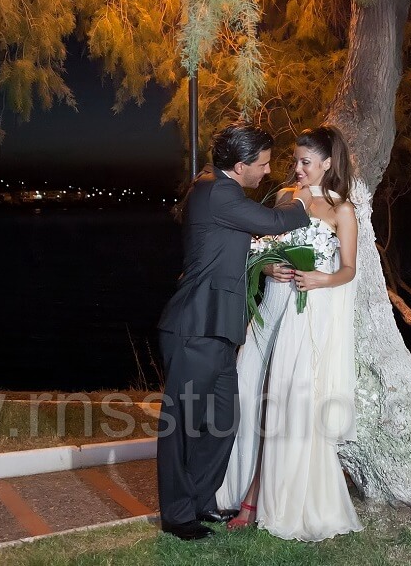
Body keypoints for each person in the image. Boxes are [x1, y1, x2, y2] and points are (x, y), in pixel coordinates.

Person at [155, 121, 312, 541]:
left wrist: (266, 268)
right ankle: (177, 516)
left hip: (220, 330)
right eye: (263, 164)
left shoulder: (217, 190)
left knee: (223, 421)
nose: (268, 171)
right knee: (183, 426)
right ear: (240, 166)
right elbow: (275, 221)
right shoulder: (217, 191)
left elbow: (230, 250)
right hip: (195, 327)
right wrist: (304, 197)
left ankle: (199, 500)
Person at [215, 124, 362, 541]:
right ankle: (234, 485)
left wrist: (321, 279)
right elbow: (262, 250)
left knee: (280, 406)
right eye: (296, 160)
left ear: (327, 164)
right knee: (248, 392)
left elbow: (349, 270)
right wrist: (268, 268)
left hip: (305, 314)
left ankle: (259, 498)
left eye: (306, 162)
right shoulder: (284, 197)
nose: (297, 168)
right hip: (272, 307)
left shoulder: (342, 210)